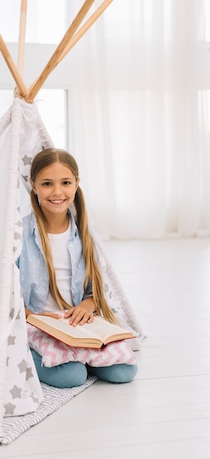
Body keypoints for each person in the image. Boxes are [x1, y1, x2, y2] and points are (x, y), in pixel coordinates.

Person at [17, 147, 137, 388]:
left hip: (76, 324)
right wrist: (30, 316)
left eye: (65, 183)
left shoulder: (84, 233)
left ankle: (82, 354)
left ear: (76, 184)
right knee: (71, 376)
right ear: (33, 185)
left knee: (124, 371)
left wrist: (86, 305)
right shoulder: (19, 233)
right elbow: (7, 292)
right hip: (38, 324)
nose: (57, 192)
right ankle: (38, 356)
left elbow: (95, 291)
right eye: (47, 183)